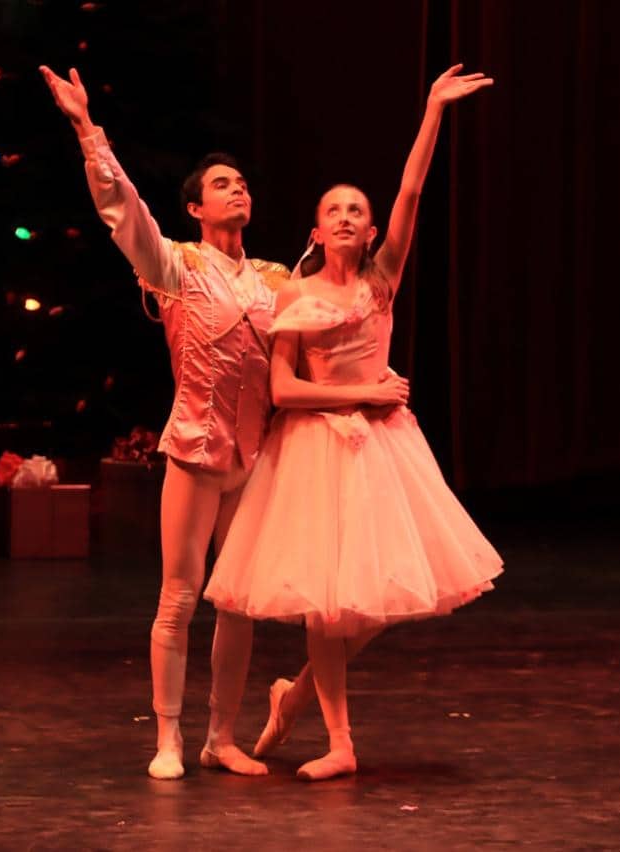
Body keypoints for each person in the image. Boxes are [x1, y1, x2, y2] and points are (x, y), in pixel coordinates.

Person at [41, 65, 395, 781]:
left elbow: (334, 319)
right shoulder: (176, 266)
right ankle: (168, 737)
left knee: (238, 604)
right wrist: (87, 130)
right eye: (222, 185)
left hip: (254, 457)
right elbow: (124, 212)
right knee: (180, 594)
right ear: (196, 208)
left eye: (242, 184)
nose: (238, 191)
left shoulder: (275, 280)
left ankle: (220, 737)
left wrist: (368, 386)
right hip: (196, 450)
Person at [203, 64, 503, 781]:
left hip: (383, 452)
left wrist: (433, 111)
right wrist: (364, 392)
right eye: (333, 209)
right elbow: (282, 389)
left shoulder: (382, 281)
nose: (346, 216)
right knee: (327, 604)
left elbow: (412, 191)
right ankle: (340, 741)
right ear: (315, 229)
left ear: (371, 233)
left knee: (378, 602)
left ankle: (296, 694)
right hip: (316, 448)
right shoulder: (294, 294)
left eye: (357, 210)